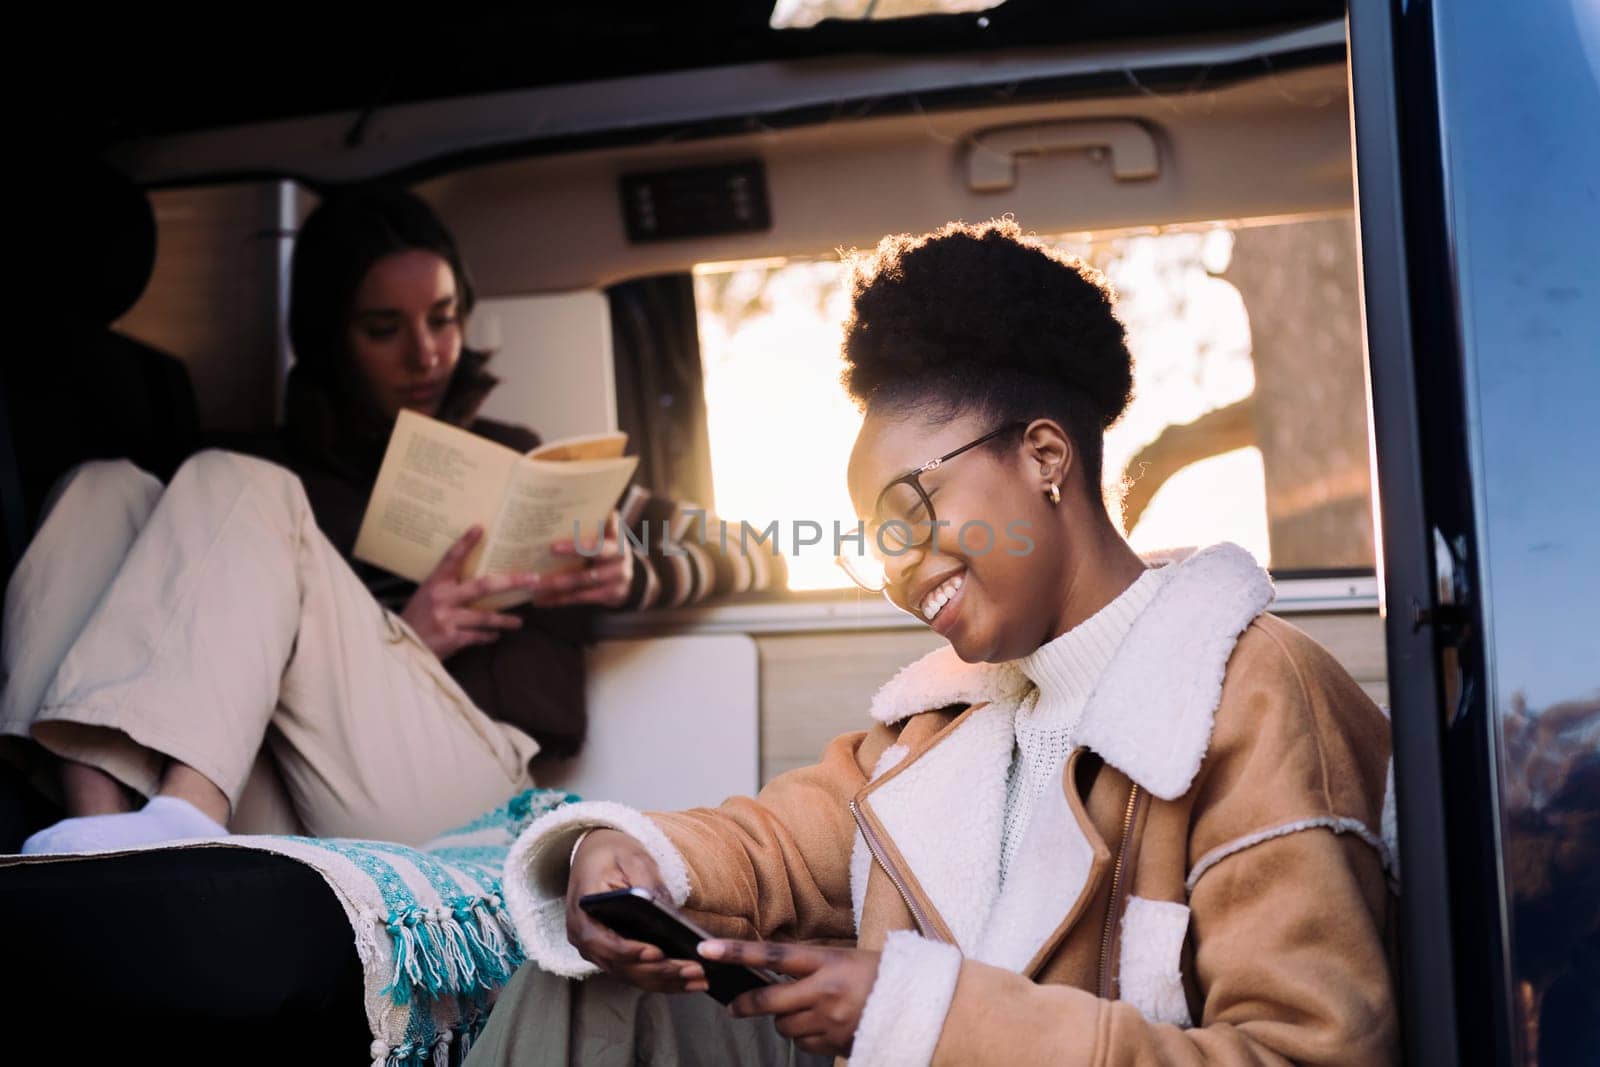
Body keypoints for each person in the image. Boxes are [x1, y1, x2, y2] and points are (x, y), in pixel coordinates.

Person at [472, 220, 1398, 1066]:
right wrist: (626, 854)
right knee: (583, 980)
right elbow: (779, 842)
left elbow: (1309, 1054)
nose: (898, 571)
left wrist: (928, 1017)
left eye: (908, 512)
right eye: (875, 543)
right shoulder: (948, 716)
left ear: (1044, 457)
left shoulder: (1255, 693)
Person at [2, 186, 635, 851]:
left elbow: (722, 543)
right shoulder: (265, 469)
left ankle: (186, 809)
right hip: (280, 772)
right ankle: (97, 834)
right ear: (330, 338)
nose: (426, 355)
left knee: (241, 480)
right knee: (101, 487)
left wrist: (633, 568)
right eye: (384, 329)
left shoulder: (516, 451)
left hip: (458, 772)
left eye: (444, 319)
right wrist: (407, 626)